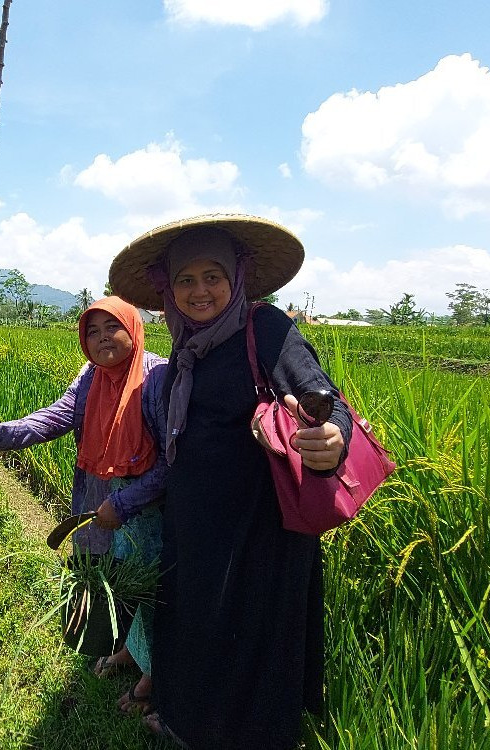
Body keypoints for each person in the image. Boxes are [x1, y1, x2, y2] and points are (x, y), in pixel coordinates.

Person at [107, 215, 354, 749]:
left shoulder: (266, 330)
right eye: (185, 280)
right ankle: (188, 722)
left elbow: (327, 402)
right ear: (169, 289)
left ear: (237, 277)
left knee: (250, 635)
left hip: (259, 525)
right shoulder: (187, 342)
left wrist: (332, 441)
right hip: (196, 519)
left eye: (212, 276)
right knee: (196, 623)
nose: (200, 291)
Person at [0, 296, 165, 713]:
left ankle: (153, 675)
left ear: (134, 328)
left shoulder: (157, 376)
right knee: (117, 577)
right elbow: (58, 416)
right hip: (104, 490)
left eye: (112, 326)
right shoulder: (91, 376)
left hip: (151, 504)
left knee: (152, 586)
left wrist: (126, 502)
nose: (102, 337)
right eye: (92, 331)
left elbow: (172, 461)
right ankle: (130, 648)